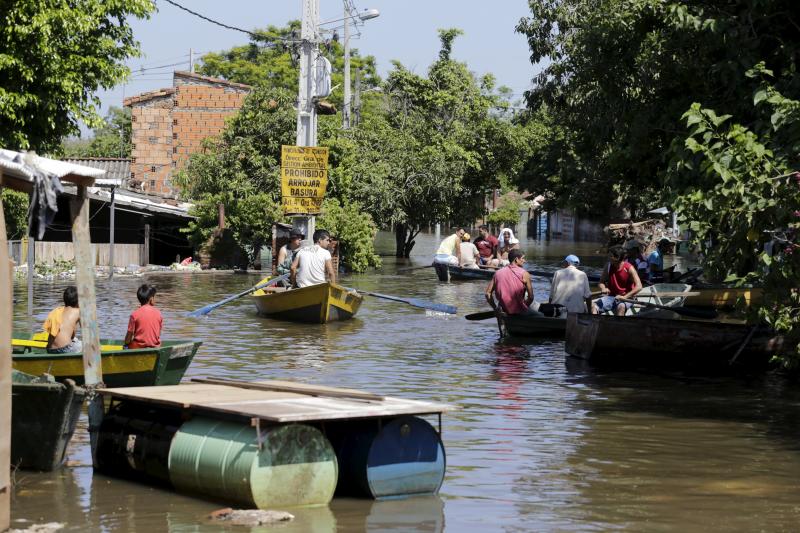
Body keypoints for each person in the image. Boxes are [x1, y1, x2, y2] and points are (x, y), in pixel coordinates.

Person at [485, 249, 543, 316]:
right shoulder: (525, 274)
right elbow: (531, 297)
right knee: (541, 316)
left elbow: (487, 293)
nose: (524, 261)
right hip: (519, 311)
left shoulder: (497, 273)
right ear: (516, 259)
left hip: (503, 310)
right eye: (523, 258)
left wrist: (495, 308)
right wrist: (523, 307)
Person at [592, 246, 643, 316]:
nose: (608, 257)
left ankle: (618, 326)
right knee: (593, 306)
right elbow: (601, 282)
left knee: (621, 306)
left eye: (610, 256)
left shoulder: (629, 268)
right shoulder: (608, 266)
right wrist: (603, 288)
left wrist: (624, 297)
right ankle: (596, 324)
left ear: (617, 258)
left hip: (627, 297)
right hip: (612, 297)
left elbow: (639, 286)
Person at [43, 286, 81, 354]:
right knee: (88, 346)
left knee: (76, 340)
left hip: (50, 349)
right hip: (64, 349)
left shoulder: (57, 310)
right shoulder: (78, 311)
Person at [124, 284, 163, 349]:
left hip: (138, 347)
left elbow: (128, 339)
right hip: (155, 347)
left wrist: (126, 343)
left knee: (125, 346)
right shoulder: (159, 313)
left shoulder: (134, 314)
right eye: (154, 297)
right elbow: (158, 334)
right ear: (151, 299)